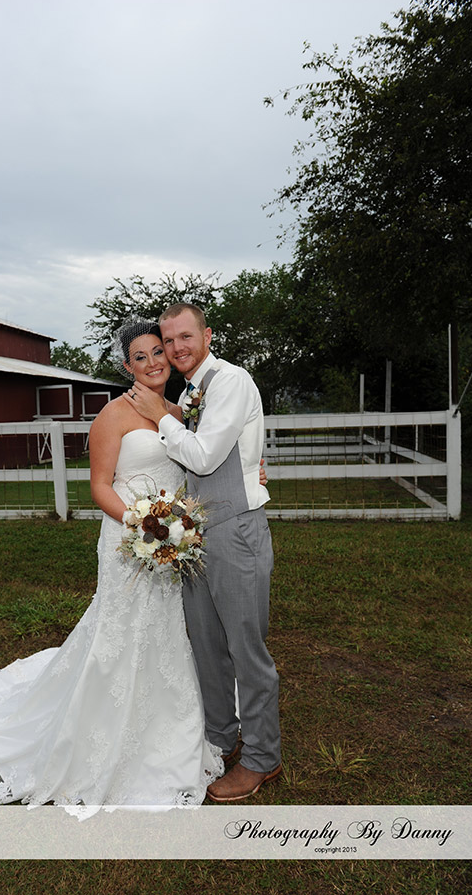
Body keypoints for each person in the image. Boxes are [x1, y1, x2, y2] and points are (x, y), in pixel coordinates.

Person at [0, 318, 223, 815]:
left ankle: (170, 723)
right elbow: (99, 486)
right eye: (140, 357)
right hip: (129, 538)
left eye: (159, 351)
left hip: (170, 541)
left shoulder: (177, 413)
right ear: (127, 366)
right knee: (122, 630)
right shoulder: (112, 414)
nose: (153, 362)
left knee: (167, 629)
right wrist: (142, 525)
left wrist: (186, 518)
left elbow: (200, 464)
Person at [124, 303, 281, 802]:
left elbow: (206, 456)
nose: (176, 348)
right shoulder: (191, 393)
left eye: (185, 337)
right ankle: (220, 737)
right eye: (168, 340)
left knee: (245, 648)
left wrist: (159, 417)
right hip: (194, 537)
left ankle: (262, 757)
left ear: (207, 335)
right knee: (207, 644)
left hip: (235, 531)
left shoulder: (230, 381)